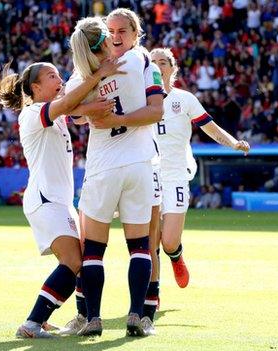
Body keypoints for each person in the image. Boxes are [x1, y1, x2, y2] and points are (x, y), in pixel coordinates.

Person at [0, 55, 122, 338]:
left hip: (58, 202)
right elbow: (65, 106)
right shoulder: (32, 113)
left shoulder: (53, 113)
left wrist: (91, 103)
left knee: (78, 262)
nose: (59, 80)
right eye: (52, 76)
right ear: (35, 89)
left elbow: (71, 108)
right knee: (74, 262)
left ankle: (64, 317)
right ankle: (32, 323)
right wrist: (99, 74)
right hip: (45, 200)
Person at [59, 8, 166, 337]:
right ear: (106, 38)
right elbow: (155, 111)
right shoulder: (141, 60)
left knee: (93, 249)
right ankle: (136, 316)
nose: (117, 36)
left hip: (103, 167)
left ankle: (93, 318)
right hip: (138, 164)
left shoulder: (81, 76)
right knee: (139, 247)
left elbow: (67, 111)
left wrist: (91, 110)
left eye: (123, 30)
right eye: (111, 32)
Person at [150, 46, 249, 295]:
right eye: (152, 62)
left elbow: (210, 127)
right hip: (146, 175)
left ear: (172, 69)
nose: (158, 66)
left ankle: (176, 256)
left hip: (176, 176)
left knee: (169, 240)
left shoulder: (184, 99)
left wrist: (234, 143)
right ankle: (152, 294)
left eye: (163, 62)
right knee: (149, 243)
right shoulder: (135, 100)